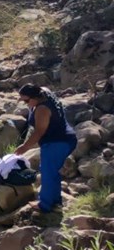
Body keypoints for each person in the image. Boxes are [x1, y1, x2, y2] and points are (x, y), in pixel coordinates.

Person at [13, 84, 77, 216]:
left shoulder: (42, 109)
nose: (25, 103)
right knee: (52, 171)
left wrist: (24, 147)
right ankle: (56, 202)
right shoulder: (45, 93)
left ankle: (45, 205)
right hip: (65, 138)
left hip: (57, 142)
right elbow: (42, 88)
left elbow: (39, 132)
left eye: (26, 100)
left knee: (47, 172)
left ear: (36, 97)